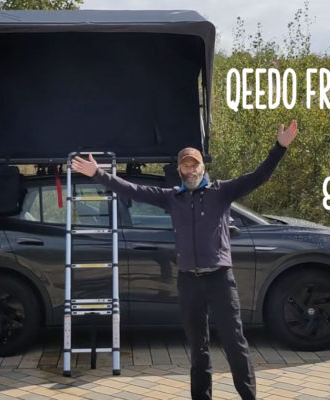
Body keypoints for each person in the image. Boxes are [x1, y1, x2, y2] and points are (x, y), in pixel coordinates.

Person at [72, 121, 298, 400]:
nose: (190, 170)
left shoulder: (221, 192)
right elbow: (132, 189)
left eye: (194, 165)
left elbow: (258, 177)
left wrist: (279, 148)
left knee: (234, 343)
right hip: (189, 282)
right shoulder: (172, 198)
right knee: (198, 348)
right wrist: (98, 174)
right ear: (179, 170)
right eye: (185, 166)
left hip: (220, 280)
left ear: (202, 167)